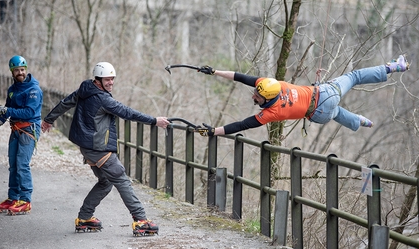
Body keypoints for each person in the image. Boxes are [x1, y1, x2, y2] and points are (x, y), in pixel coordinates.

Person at [41, 62, 170, 235]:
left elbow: (65, 103)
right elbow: (128, 112)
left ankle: (85, 218)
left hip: (87, 146)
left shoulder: (85, 88)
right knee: (121, 179)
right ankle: (141, 220)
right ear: (98, 80)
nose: (111, 83)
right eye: (107, 79)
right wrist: (154, 120)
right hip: (98, 148)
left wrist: (49, 119)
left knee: (106, 182)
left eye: (112, 79)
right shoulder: (104, 99)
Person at [195, 55, 410, 136]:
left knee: (335, 112)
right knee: (353, 76)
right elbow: (241, 77)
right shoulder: (271, 84)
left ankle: (361, 122)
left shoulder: (271, 112)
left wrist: (214, 131)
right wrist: (214, 71)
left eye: (257, 98)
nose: (254, 97)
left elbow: (242, 125)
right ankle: (392, 68)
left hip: (318, 115)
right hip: (324, 95)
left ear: (267, 98)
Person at [0, 55, 43, 215]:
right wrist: (0, 120)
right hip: (15, 129)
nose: (20, 73)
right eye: (16, 70)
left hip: (29, 129)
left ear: (26, 70)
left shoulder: (34, 89)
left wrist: (8, 111)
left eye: (22, 69)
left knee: (22, 164)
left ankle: (25, 200)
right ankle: (13, 198)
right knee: (13, 165)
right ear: (12, 72)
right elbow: (8, 107)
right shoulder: (12, 90)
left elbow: (29, 112)